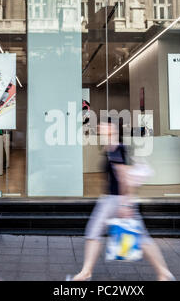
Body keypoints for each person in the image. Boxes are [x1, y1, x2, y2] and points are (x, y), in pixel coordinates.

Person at [67, 118, 174, 281]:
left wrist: (126, 203)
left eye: (104, 125)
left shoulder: (116, 147)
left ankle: (86, 272)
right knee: (139, 237)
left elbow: (123, 175)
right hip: (113, 199)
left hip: (116, 200)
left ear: (112, 129)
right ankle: (163, 273)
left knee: (94, 233)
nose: (100, 127)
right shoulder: (111, 147)